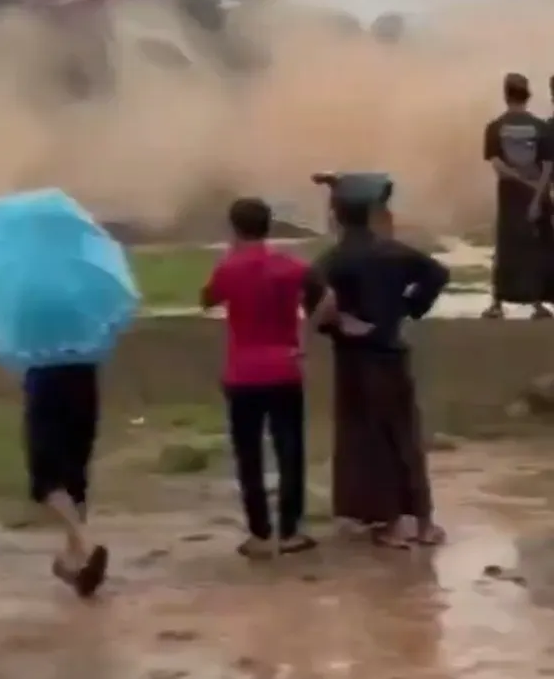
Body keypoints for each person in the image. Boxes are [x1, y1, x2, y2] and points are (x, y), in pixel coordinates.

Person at [311, 173, 448, 548]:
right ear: (373, 213)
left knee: (370, 441)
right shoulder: (394, 252)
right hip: (393, 351)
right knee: (405, 436)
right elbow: (438, 273)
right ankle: (424, 523)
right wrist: (408, 306)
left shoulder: (334, 260)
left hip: (356, 360)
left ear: (338, 217)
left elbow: (312, 297)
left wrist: (338, 322)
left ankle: (387, 524)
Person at [200, 198, 329, 558]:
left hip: (241, 374)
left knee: (248, 453)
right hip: (284, 369)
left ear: (234, 227)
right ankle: (290, 532)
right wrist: (304, 338)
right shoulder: (291, 266)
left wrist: (227, 257)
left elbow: (206, 300)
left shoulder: (229, 268)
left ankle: (259, 534)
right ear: (269, 225)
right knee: (290, 450)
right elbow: (327, 299)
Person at [22, 361, 108, 596]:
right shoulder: (84, 327)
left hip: (46, 380)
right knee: (75, 475)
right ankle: (76, 561)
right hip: (84, 380)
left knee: (46, 479)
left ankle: (86, 544)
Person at [482, 72, 554, 319]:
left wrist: (519, 180)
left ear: (505, 95)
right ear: (528, 95)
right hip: (538, 197)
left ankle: (497, 303)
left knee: (505, 248)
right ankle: (537, 304)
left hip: (509, 198)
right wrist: (537, 195)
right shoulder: (541, 127)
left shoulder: (495, 127)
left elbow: (497, 165)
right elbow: (547, 167)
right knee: (536, 249)